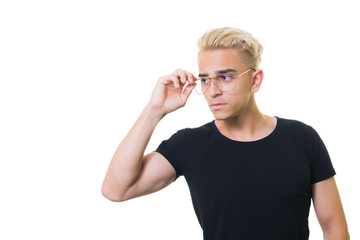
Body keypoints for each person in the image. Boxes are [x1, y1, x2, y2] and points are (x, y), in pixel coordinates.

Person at [101, 27, 350, 240]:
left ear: (255, 81)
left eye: (226, 77)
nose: (213, 91)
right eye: (205, 80)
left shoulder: (302, 139)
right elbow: (116, 189)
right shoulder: (189, 144)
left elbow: (333, 226)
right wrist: (155, 110)